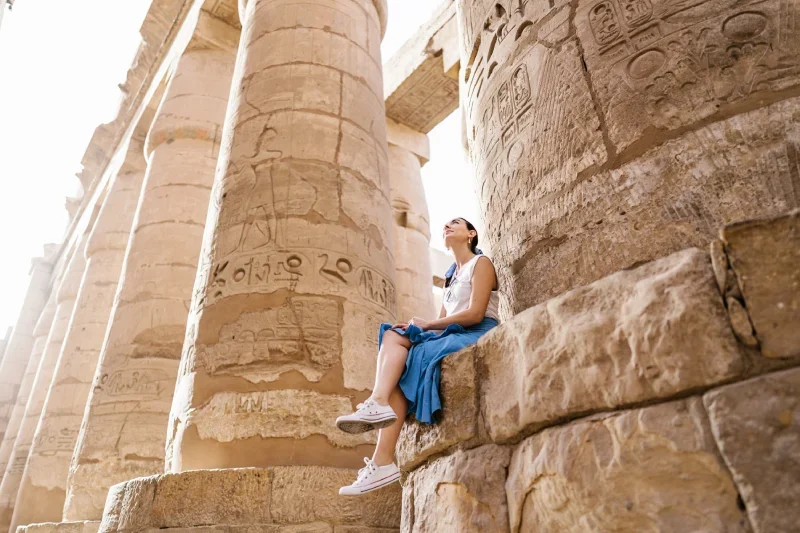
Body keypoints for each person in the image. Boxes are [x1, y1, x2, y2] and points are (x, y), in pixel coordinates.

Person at [336, 217, 500, 495]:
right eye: (445, 224)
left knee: (414, 355)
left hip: (477, 330)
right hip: (451, 333)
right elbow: (441, 324)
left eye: (456, 223)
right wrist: (416, 328)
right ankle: (378, 409)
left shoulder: (480, 263)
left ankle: (382, 456)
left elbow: (475, 314)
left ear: (471, 234)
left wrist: (426, 325)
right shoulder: (451, 278)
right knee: (393, 334)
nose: (447, 226)